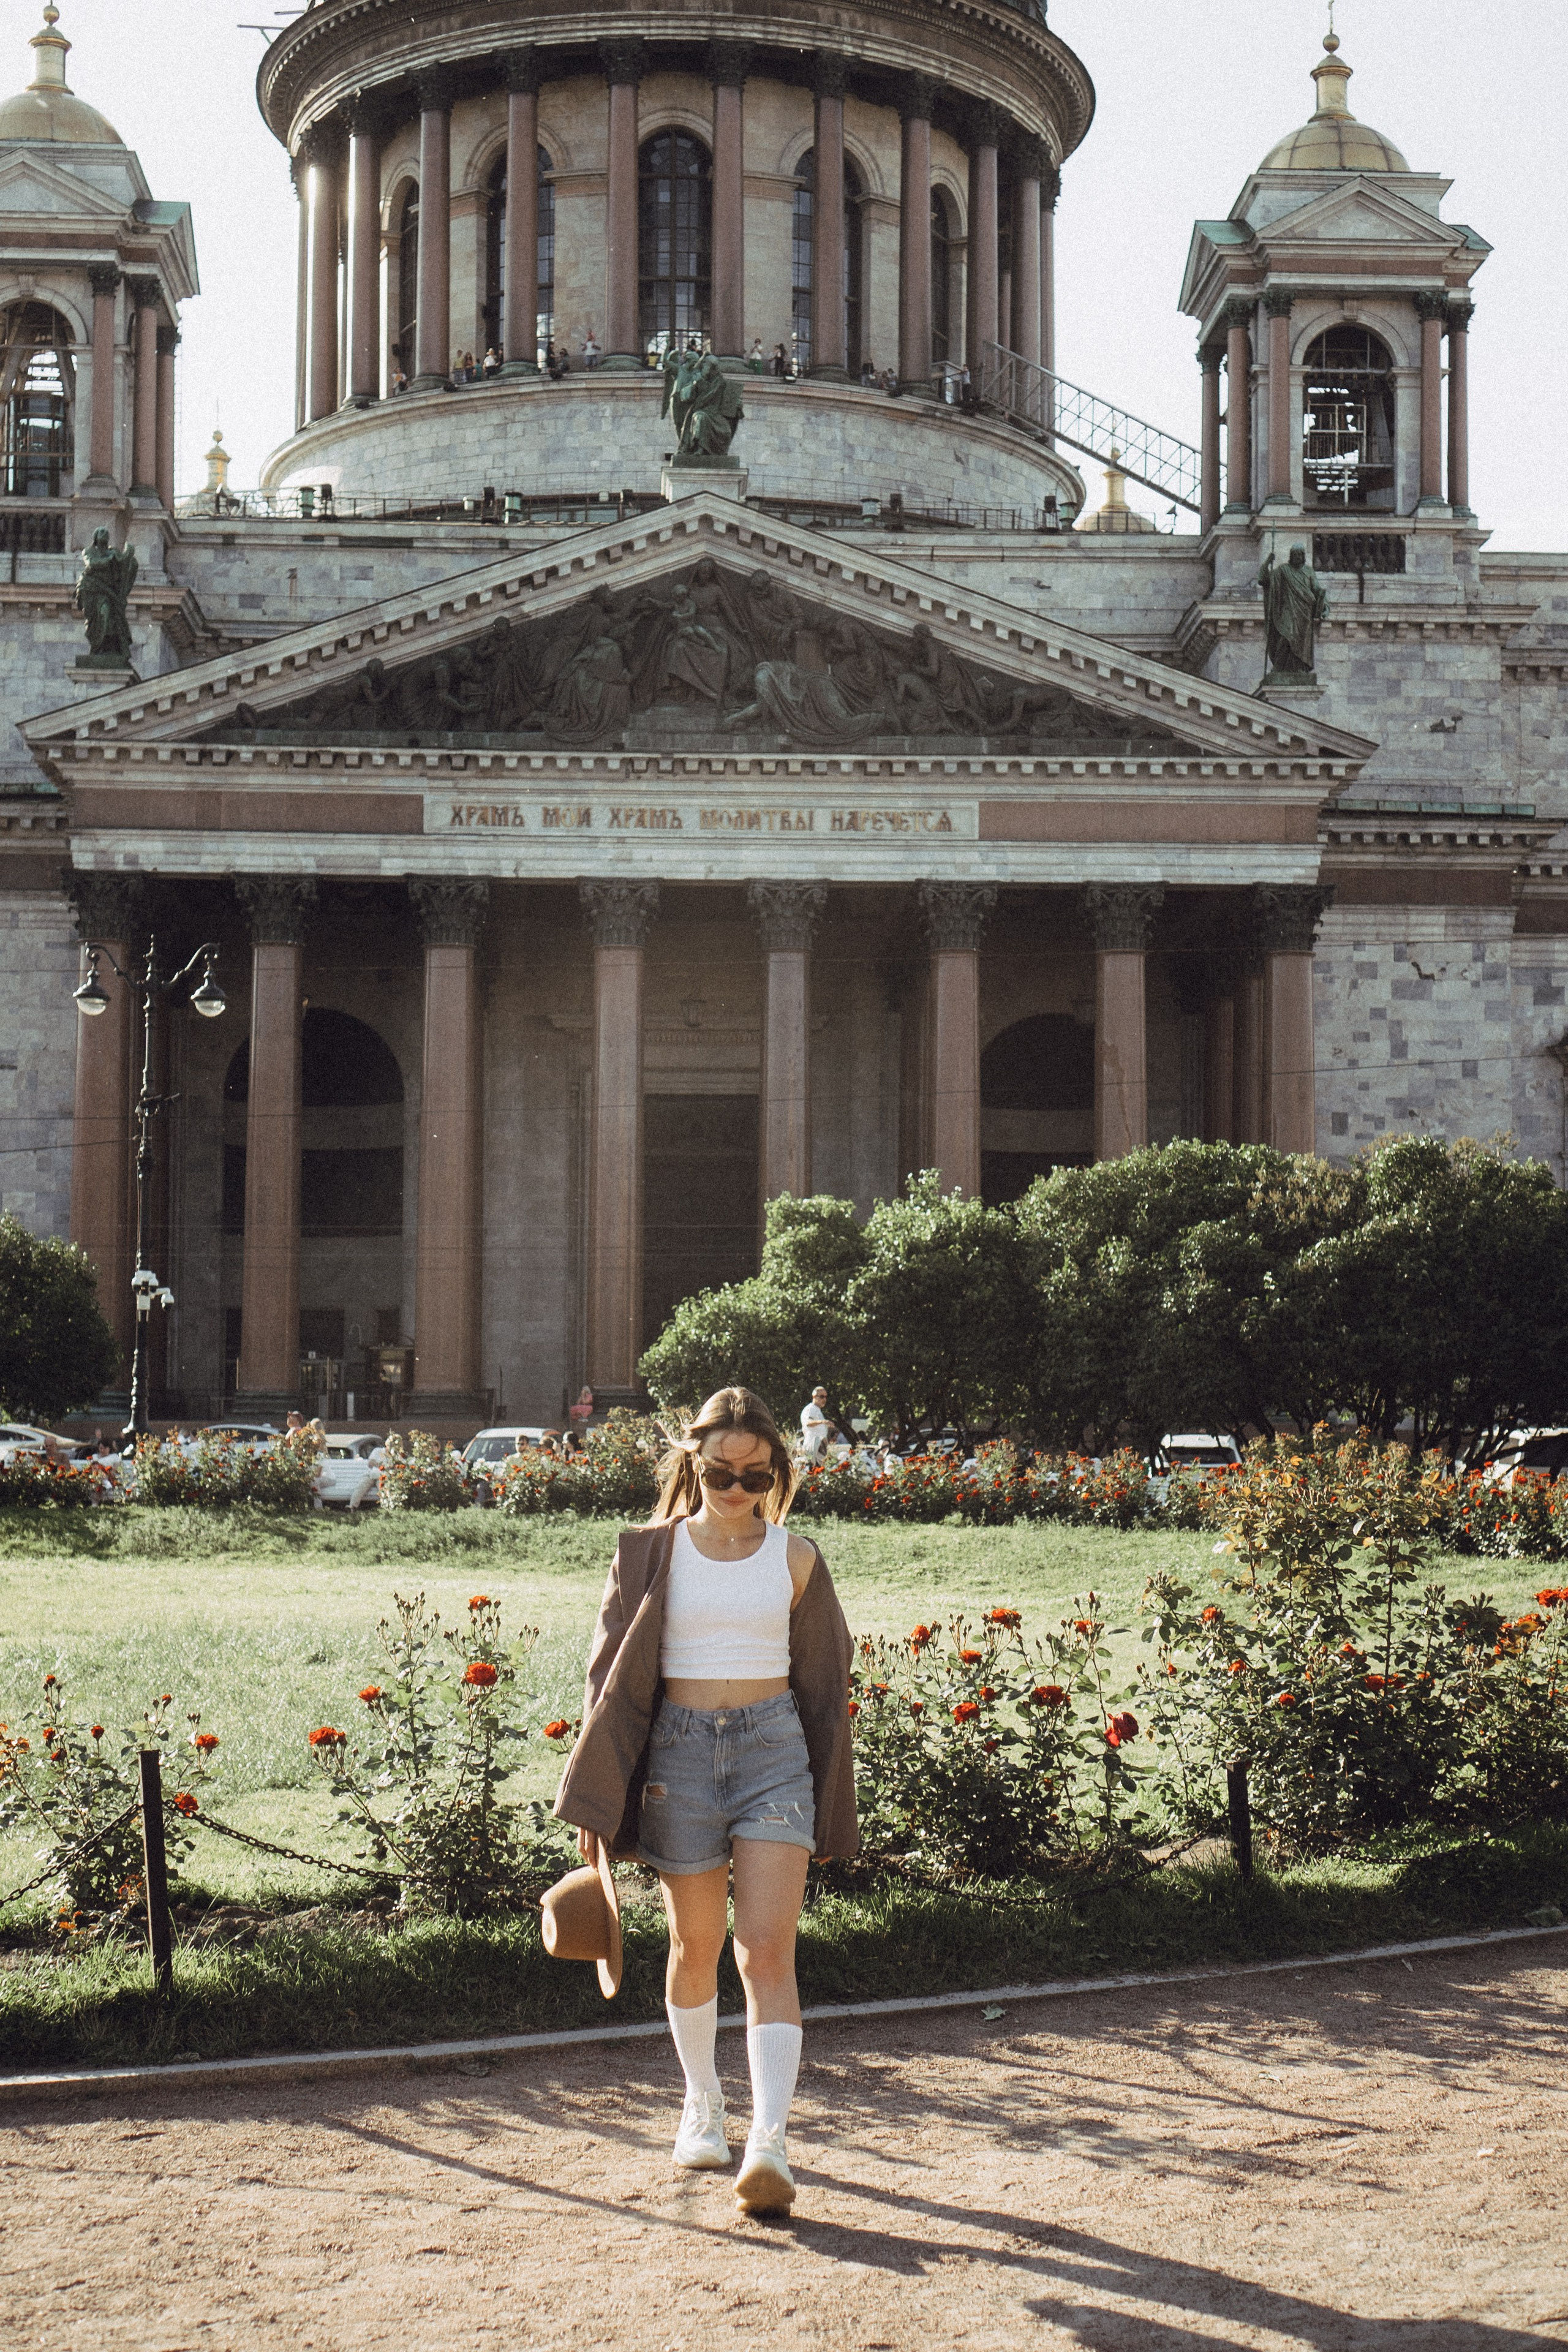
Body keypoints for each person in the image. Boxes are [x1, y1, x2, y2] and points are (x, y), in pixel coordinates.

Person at [554, 1387, 856, 2215]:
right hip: (677, 1759)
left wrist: (833, 1807)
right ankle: (703, 2105)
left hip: (773, 1755)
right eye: (723, 1474)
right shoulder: (652, 1552)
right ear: (695, 1464)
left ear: (776, 1475)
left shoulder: (796, 1559)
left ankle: (771, 2140)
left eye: (756, 1478)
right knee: (695, 1946)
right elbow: (606, 1685)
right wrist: (596, 1804)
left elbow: (828, 1689)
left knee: (765, 1949)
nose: (737, 1492)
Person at [799, 1385, 834, 1461]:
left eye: (825, 1397)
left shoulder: (818, 1411)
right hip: (812, 1445)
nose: (824, 1399)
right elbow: (808, 1423)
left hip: (820, 1447)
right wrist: (823, 1422)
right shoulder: (810, 1409)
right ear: (814, 1397)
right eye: (822, 1397)